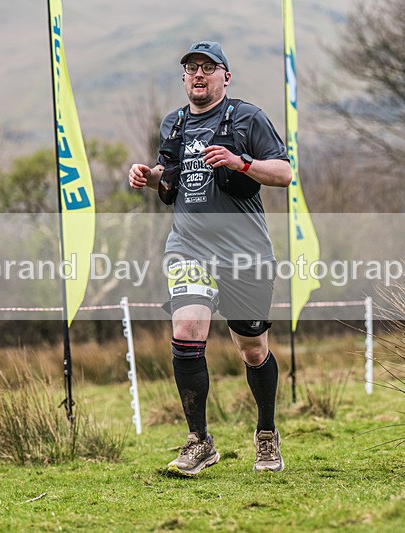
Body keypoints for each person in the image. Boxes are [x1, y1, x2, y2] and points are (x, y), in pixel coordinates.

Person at [128, 41, 292, 476]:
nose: (198, 75)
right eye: (190, 68)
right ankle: (200, 441)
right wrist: (149, 177)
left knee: (253, 350)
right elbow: (171, 178)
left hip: (244, 251)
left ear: (225, 76)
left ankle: (267, 433)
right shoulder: (175, 124)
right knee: (186, 329)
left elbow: (284, 173)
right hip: (189, 246)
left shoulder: (247, 117)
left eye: (207, 67)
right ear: (184, 78)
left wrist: (241, 163)